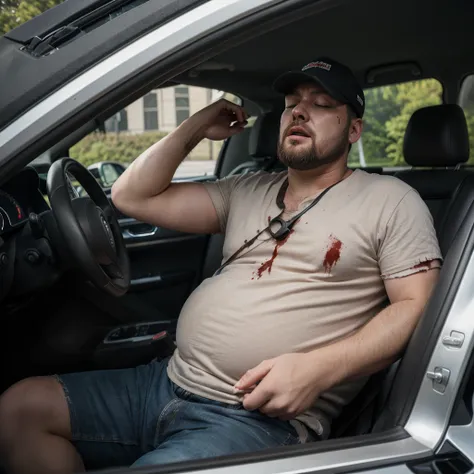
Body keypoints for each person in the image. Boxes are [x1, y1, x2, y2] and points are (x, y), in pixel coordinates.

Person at [0, 57, 442, 473]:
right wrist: (194, 127)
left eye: (323, 105)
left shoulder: (391, 200)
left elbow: (415, 307)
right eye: (292, 105)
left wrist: (320, 368)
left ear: (354, 130)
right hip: (164, 382)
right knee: (17, 410)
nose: (300, 113)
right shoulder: (247, 188)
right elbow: (132, 196)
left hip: (255, 419)